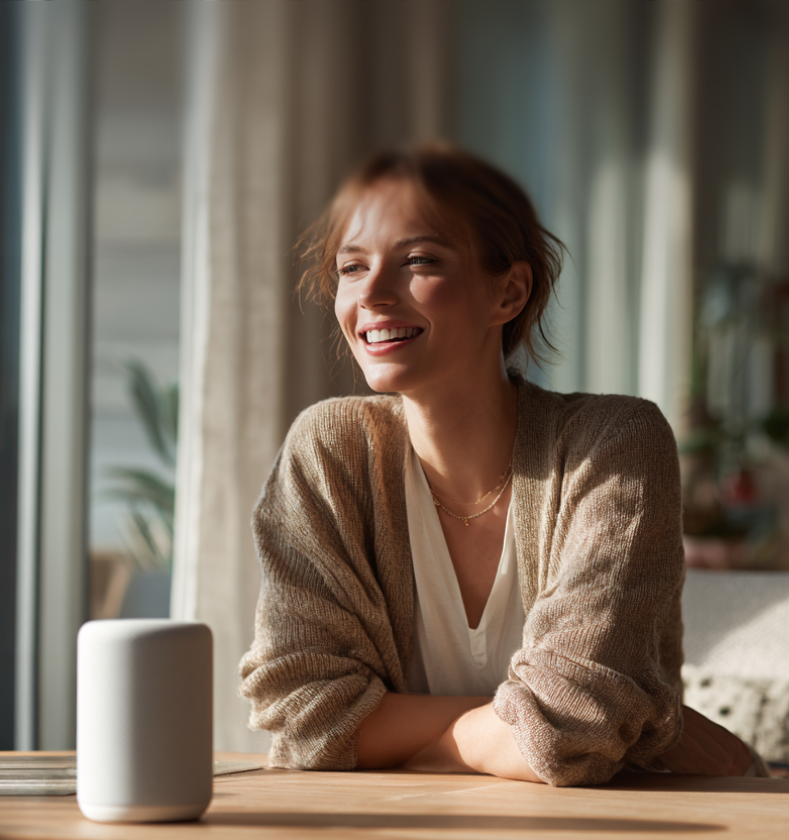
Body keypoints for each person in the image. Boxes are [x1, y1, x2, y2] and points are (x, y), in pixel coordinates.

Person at [238, 144, 763, 786]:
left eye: (419, 261)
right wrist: (621, 730)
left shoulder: (613, 444)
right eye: (352, 267)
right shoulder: (327, 452)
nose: (370, 294)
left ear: (509, 291)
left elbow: (576, 723)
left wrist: (382, 735)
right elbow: (303, 716)